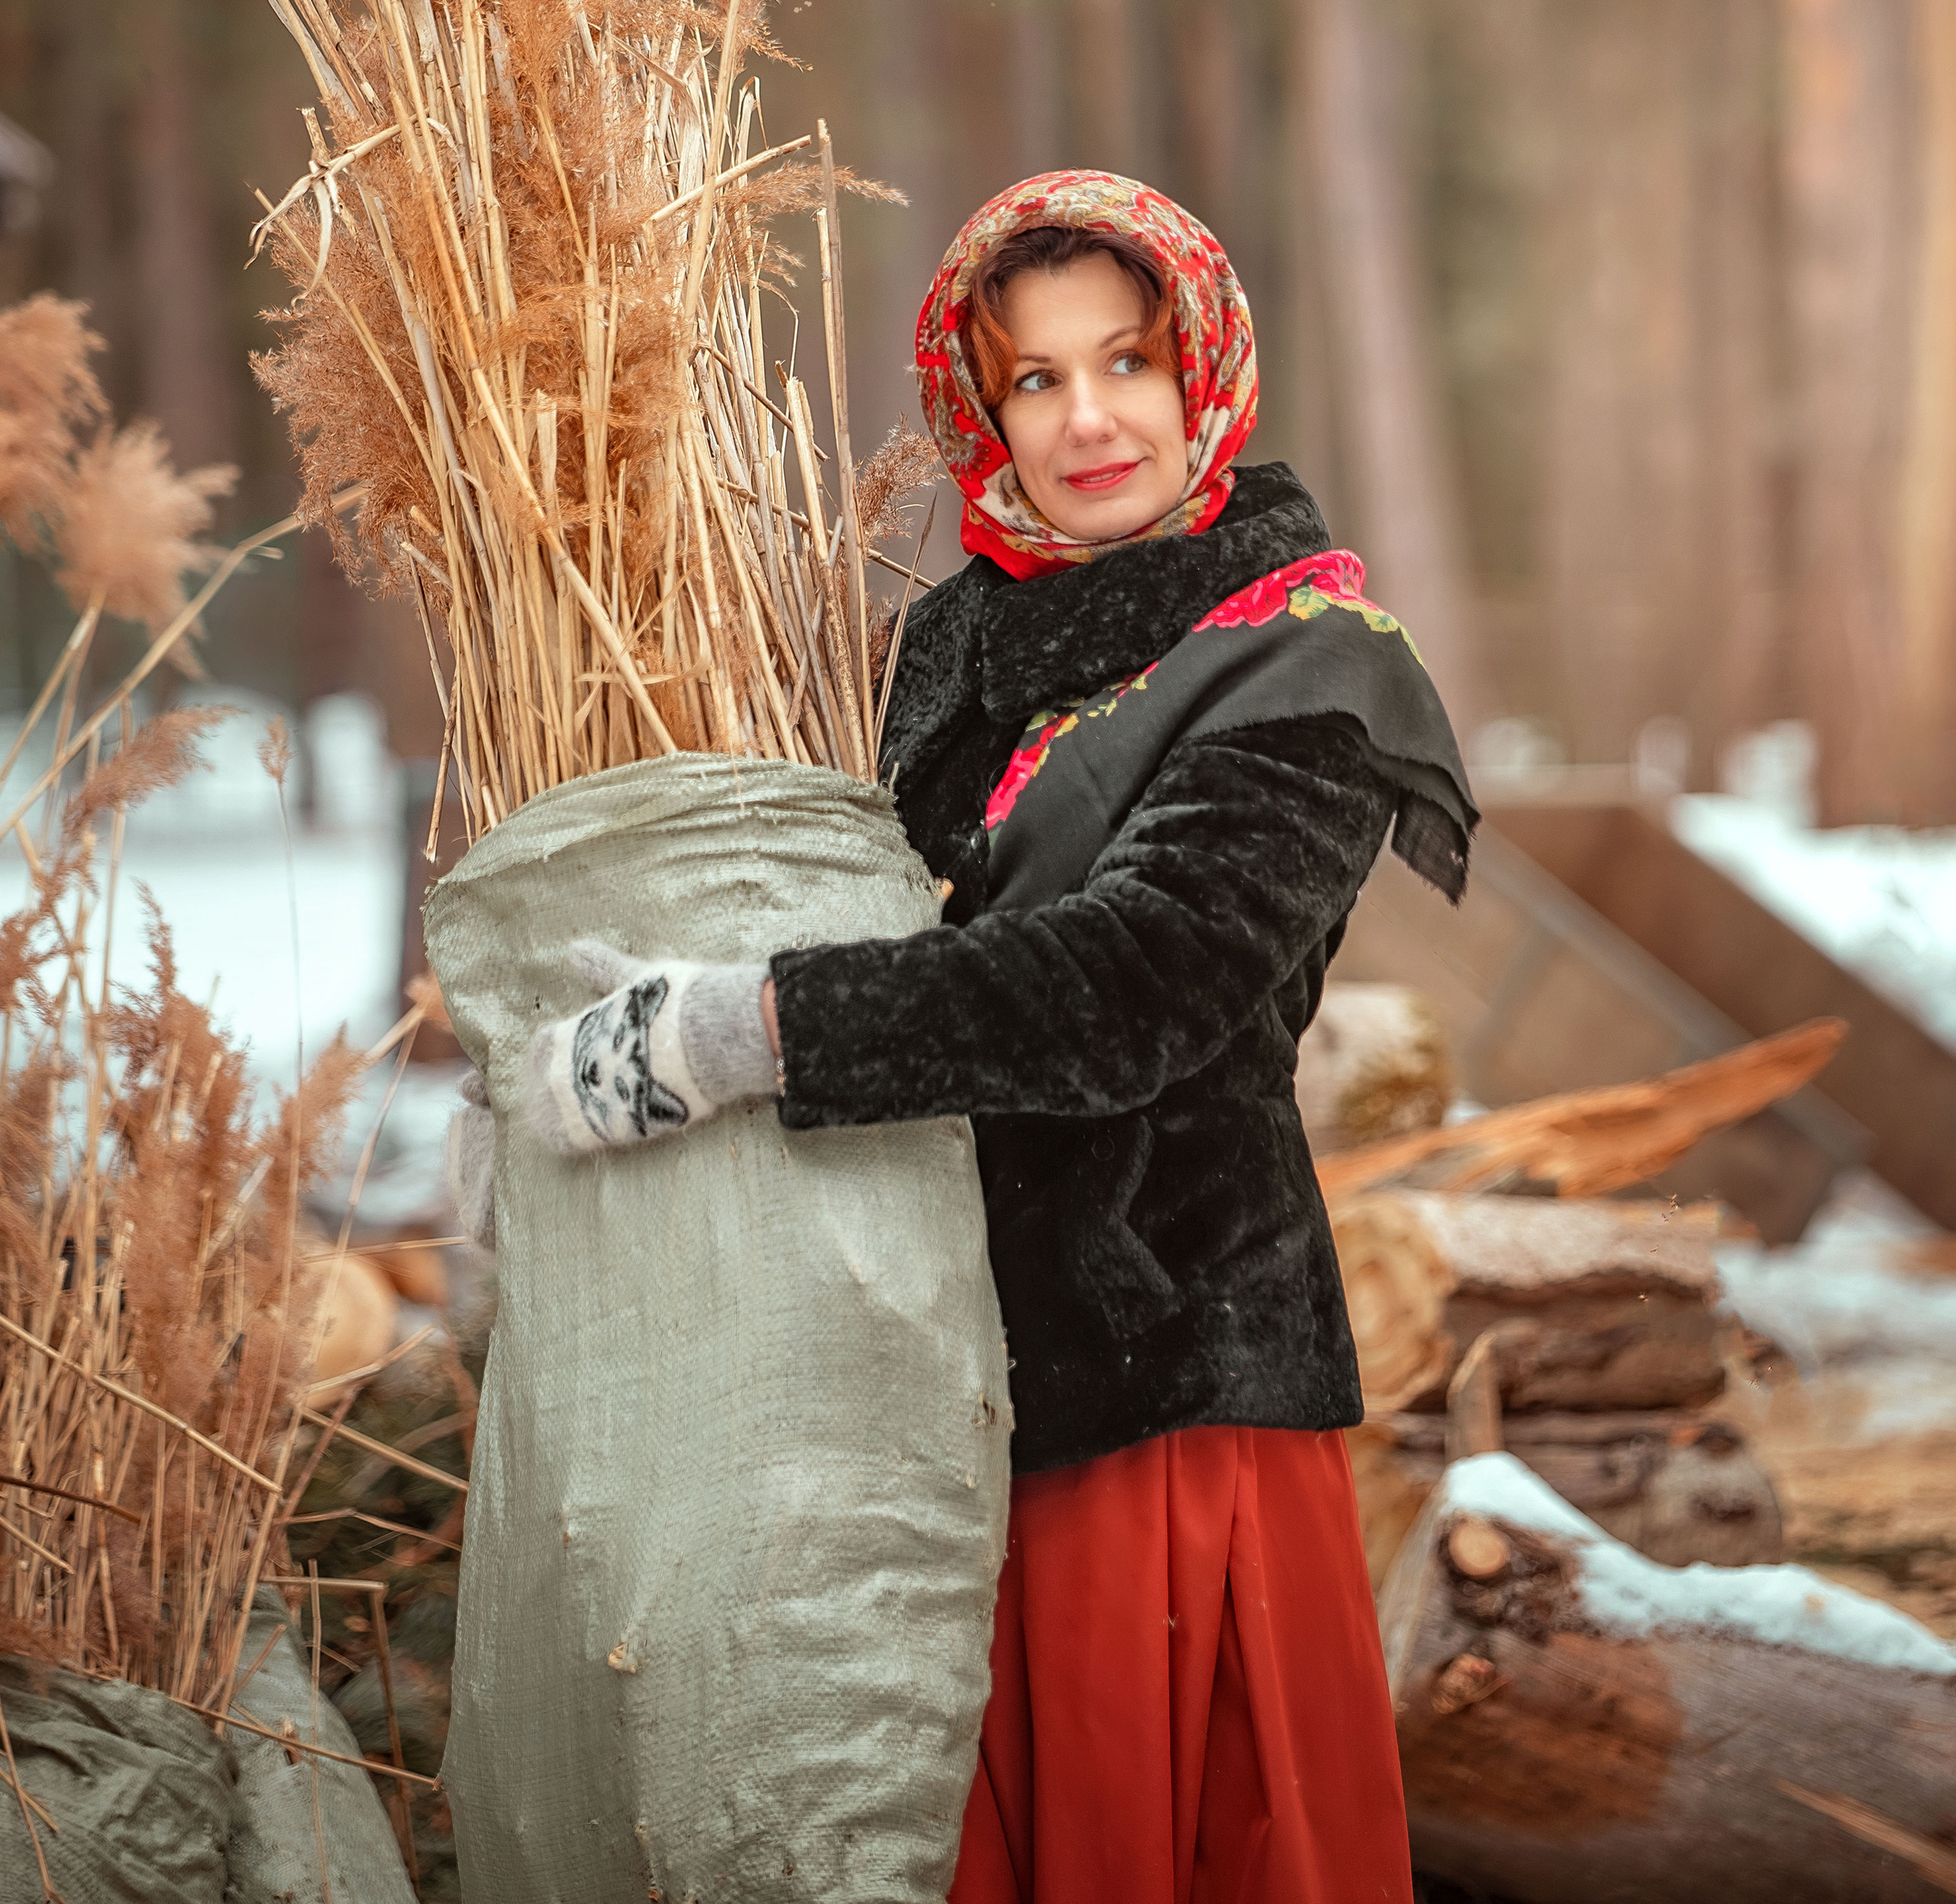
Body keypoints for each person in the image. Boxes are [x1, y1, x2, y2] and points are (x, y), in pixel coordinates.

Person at [529, 170, 1474, 1904]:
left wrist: (743, 1034)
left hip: (1159, 1391)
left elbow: (1129, 992)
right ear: (980, 410)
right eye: (1033, 379)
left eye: (1126, 361)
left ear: (1207, 372)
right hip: (905, 1382)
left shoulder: (1303, 662)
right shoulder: (935, 656)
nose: (1089, 419)